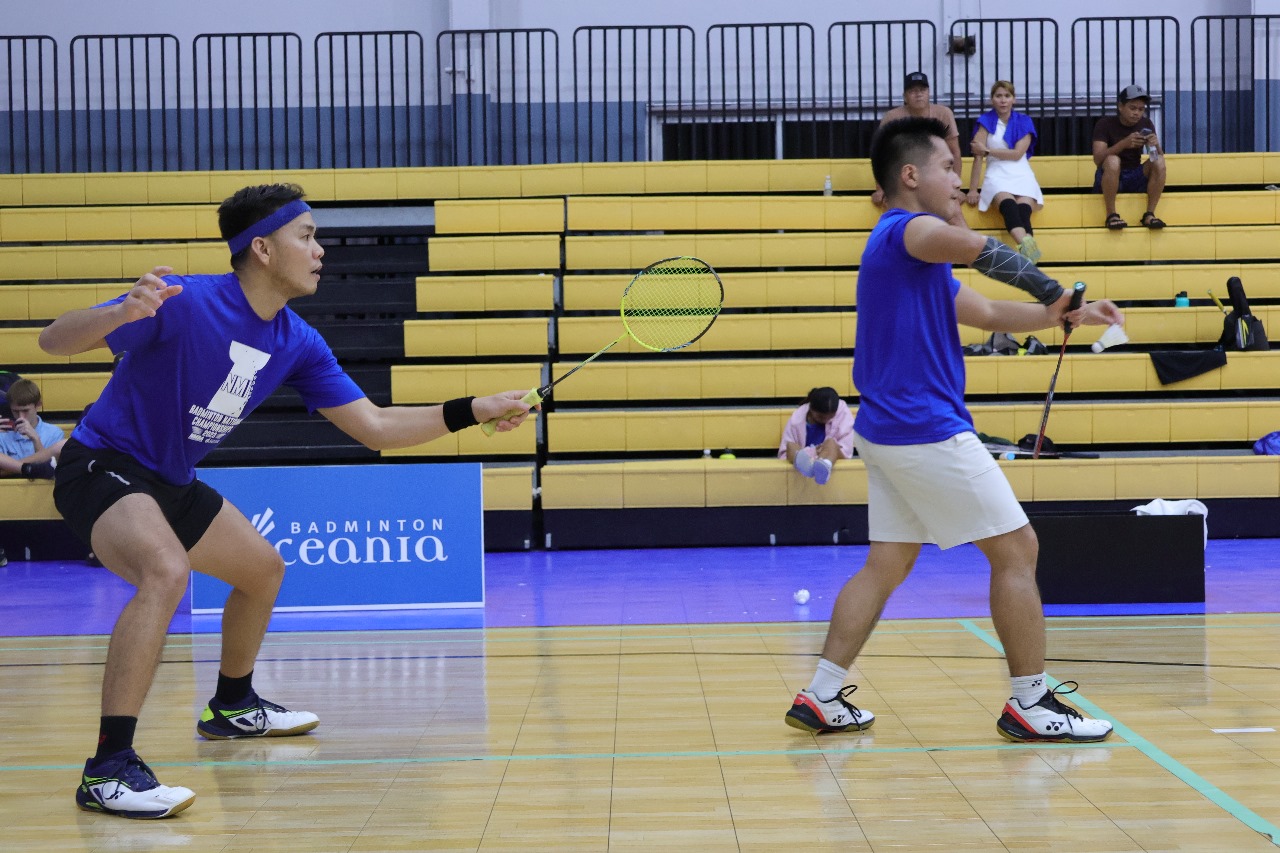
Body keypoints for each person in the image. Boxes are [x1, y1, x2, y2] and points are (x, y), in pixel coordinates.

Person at [37, 183, 536, 820]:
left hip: (170, 480)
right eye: (307, 236)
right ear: (264, 249)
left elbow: (376, 428)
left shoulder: (296, 341)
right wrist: (119, 313)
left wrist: (475, 411)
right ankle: (108, 769)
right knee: (165, 571)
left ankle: (232, 707)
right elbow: (54, 341)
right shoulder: (183, 301)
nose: (321, 250)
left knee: (262, 569)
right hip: (101, 463)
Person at [783, 117, 1124, 744]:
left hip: (891, 431)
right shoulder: (906, 232)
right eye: (948, 168)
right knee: (1018, 550)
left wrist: (1060, 315)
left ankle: (822, 694)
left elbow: (991, 311)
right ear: (909, 175)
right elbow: (975, 249)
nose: (960, 183)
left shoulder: (919, 259)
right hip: (924, 429)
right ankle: (1030, 700)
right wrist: (1052, 285)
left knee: (885, 563)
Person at [871, 72, 966, 227]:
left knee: (955, 214)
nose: (918, 94)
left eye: (922, 90)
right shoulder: (892, 117)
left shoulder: (943, 113)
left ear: (929, 93)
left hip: (935, 175)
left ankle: (970, 249)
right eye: (913, 91)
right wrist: (881, 189)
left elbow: (955, 152)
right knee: (898, 217)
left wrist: (956, 187)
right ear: (905, 96)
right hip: (904, 179)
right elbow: (881, 155)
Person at [966, 80, 1045, 262]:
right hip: (996, 172)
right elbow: (978, 157)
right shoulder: (985, 122)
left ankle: (1027, 252)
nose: (1003, 100)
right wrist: (972, 189)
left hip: (1021, 171)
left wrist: (987, 151)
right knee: (1009, 208)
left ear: (1014, 99)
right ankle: (1028, 248)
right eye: (998, 96)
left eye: (1007, 96)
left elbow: (1017, 154)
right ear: (992, 99)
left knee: (1023, 212)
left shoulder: (1025, 121)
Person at [1092, 84, 1167, 230]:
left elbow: (1157, 157)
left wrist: (1156, 145)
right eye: (1132, 108)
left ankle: (1149, 214)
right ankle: (1111, 215)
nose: (1137, 113)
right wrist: (1123, 144)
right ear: (1121, 107)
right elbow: (1098, 159)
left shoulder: (1146, 123)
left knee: (1159, 160)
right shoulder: (1105, 124)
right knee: (1113, 160)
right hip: (1110, 176)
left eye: (1141, 109)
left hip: (1135, 175)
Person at [778, 386, 854, 486]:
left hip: (830, 454)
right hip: (805, 453)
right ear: (811, 409)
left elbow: (845, 448)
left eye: (830, 417)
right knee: (790, 446)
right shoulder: (797, 418)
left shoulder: (843, 414)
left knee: (831, 442)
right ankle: (806, 467)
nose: (825, 420)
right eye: (820, 417)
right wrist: (810, 452)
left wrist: (823, 450)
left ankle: (824, 465)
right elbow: (785, 449)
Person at [0, 377, 65, 479]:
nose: (21, 417)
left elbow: (52, 470)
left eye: (25, 410)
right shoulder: (4, 433)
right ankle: (28, 469)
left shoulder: (54, 433)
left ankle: (27, 469)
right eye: (15, 411)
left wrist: (36, 440)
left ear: (38, 405)